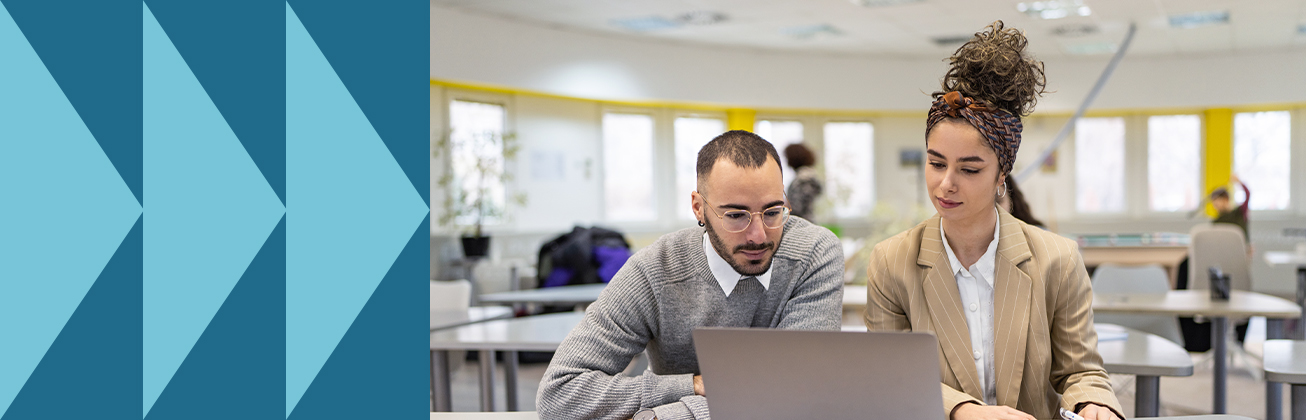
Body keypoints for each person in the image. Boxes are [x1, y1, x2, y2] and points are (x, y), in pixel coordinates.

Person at [862, 21, 1123, 420]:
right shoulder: (891, 262)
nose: (945, 185)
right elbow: (886, 377)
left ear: (1002, 174)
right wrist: (963, 410)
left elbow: (1081, 371)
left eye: (969, 170)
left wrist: (1095, 405)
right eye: (936, 164)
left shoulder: (1057, 258)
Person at [537, 130, 844, 420]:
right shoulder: (655, 270)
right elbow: (559, 394)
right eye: (736, 215)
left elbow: (801, 390)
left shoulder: (814, 253)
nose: (758, 234)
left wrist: (664, 415)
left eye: (773, 212)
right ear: (698, 208)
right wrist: (695, 384)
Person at [783, 143, 823, 220]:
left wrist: (783, 206)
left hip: (801, 223)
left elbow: (797, 208)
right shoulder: (809, 178)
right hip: (807, 221)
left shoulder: (803, 180)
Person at [1210, 174, 1250, 239]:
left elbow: (1247, 194)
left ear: (1226, 199)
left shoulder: (1240, 212)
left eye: (1217, 202)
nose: (1215, 206)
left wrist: (1238, 182)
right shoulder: (1217, 221)